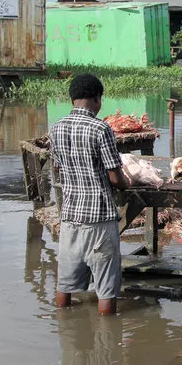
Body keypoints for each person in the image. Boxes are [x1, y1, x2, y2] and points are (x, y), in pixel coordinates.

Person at [49, 74, 130, 315]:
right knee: (106, 288)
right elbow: (115, 177)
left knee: (64, 283)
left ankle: (65, 328)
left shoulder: (57, 127)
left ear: (72, 98)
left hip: (70, 218)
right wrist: (127, 184)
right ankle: (107, 337)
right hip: (99, 220)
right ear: (96, 98)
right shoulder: (100, 128)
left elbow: (57, 167)